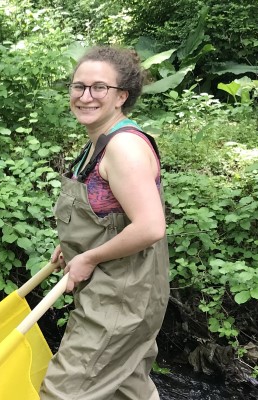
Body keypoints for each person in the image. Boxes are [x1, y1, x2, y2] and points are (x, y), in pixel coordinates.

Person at [39, 46, 169, 400]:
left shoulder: (123, 147)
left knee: (62, 392)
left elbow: (150, 227)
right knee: (128, 390)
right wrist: (72, 246)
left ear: (121, 97)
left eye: (99, 88)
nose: (85, 96)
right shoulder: (97, 142)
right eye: (78, 86)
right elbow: (105, 217)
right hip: (114, 290)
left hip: (123, 297)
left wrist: (90, 257)